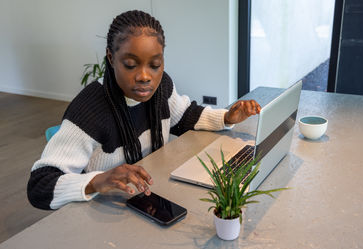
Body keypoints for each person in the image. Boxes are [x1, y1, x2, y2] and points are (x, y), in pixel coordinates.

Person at [27, 10, 261, 210]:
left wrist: (226, 117)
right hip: (103, 212)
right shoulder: (89, 111)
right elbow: (40, 186)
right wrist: (97, 181)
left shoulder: (161, 87)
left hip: (146, 195)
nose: (144, 76)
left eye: (155, 65)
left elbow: (183, 117)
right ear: (111, 58)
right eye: (130, 65)